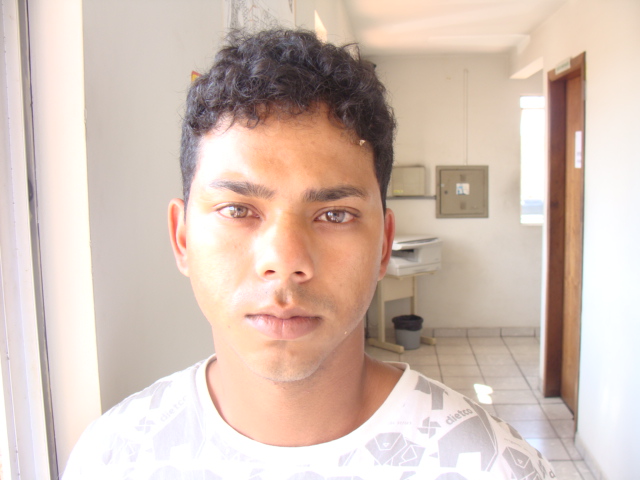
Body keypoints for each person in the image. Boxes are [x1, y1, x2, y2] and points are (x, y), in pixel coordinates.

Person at [63, 29, 555, 479]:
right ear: (182, 237)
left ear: (383, 245)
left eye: (335, 214)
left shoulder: (493, 467)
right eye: (238, 209)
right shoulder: (113, 457)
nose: (284, 259)